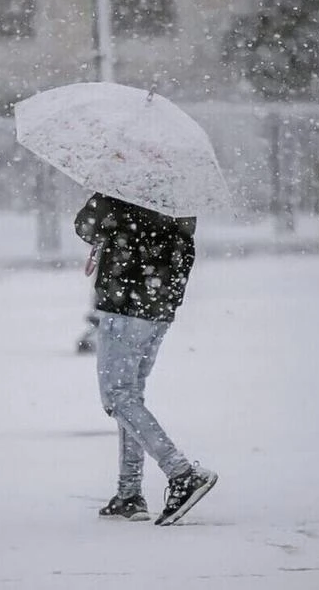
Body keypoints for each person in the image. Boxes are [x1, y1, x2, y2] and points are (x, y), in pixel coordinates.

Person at [74, 192, 217, 526]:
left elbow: (85, 225)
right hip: (159, 306)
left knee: (117, 396)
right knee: (131, 395)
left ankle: (182, 473)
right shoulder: (179, 192)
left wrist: (103, 206)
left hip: (125, 305)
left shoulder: (121, 188)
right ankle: (129, 493)